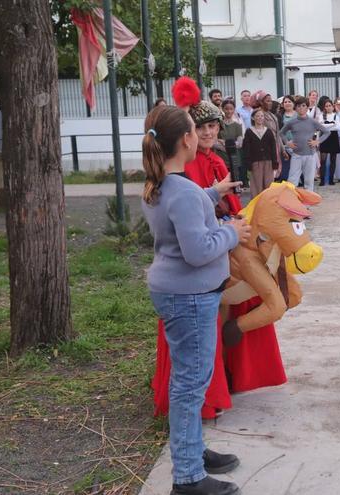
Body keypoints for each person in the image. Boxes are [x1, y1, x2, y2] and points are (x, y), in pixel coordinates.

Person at [141, 105, 249, 495]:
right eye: (194, 129)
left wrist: (211, 193)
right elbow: (198, 249)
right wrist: (233, 231)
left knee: (190, 379)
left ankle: (192, 450)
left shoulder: (161, 184)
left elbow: (184, 205)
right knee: (191, 384)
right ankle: (187, 476)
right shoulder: (182, 192)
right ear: (186, 140)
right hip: (190, 295)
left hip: (179, 292)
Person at [280, 96, 330, 192]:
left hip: (310, 155)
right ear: (296, 108)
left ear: (307, 108)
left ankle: (307, 205)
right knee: (292, 180)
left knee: (309, 181)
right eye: (299, 106)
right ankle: (292, 202)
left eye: (303, 106)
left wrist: (317, 141)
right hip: (296, 155)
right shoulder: (292, 122)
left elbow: (327, 132)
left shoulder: (312, 121)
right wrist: (287, 142)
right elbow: (281, 133)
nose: (301, 108)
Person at [242, 108, 281, 197]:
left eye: (262, 116)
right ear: (253, 118)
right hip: (255, 162)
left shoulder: (268, 131)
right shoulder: (249, 132)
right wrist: (248, 163)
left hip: (268, 162)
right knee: (256, 186)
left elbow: (273, 148)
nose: (260, 118)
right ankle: (256, 204)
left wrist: (275, 162)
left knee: (268, 185)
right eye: (257, 116)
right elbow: (246, 149)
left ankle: (267, 204)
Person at [318, 99, 340, 186]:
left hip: (334, 137)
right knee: (323, 160)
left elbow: (338, 128)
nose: (328, 107)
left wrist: (326, 125)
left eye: (329, 105)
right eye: (326, 106)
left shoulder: (336, 116)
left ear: (333, 106)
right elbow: (321, 127)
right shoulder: (321, 115)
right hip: (324, 137)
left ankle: (331, 179)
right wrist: (332, 124)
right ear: (324, 107)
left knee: (333, 159)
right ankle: (322, 180)